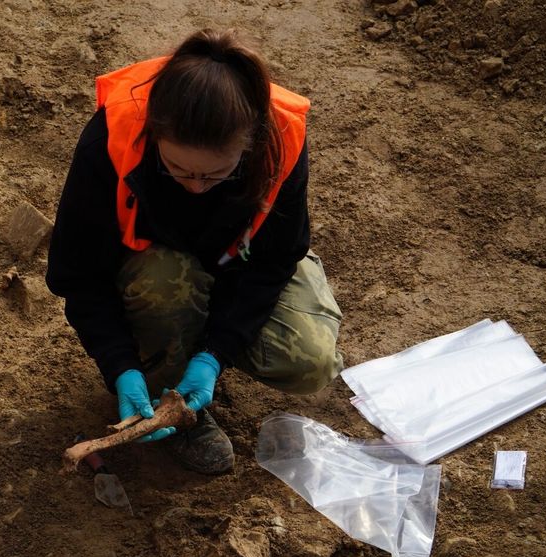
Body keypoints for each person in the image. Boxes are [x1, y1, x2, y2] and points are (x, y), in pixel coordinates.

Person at [46, 28, 344, 475]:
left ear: (249, 144)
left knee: (309, 360)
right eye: (178, 169)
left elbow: (273, 260)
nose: (195, 186)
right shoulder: (110, 141)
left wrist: (214, 353)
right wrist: (119, 364)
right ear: (154, 135)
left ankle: (193, 358)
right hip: (154, 273)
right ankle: (170, 400)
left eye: (214, 174)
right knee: (164, 279)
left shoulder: (280, 142)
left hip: (237, 265)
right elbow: (78, 273)